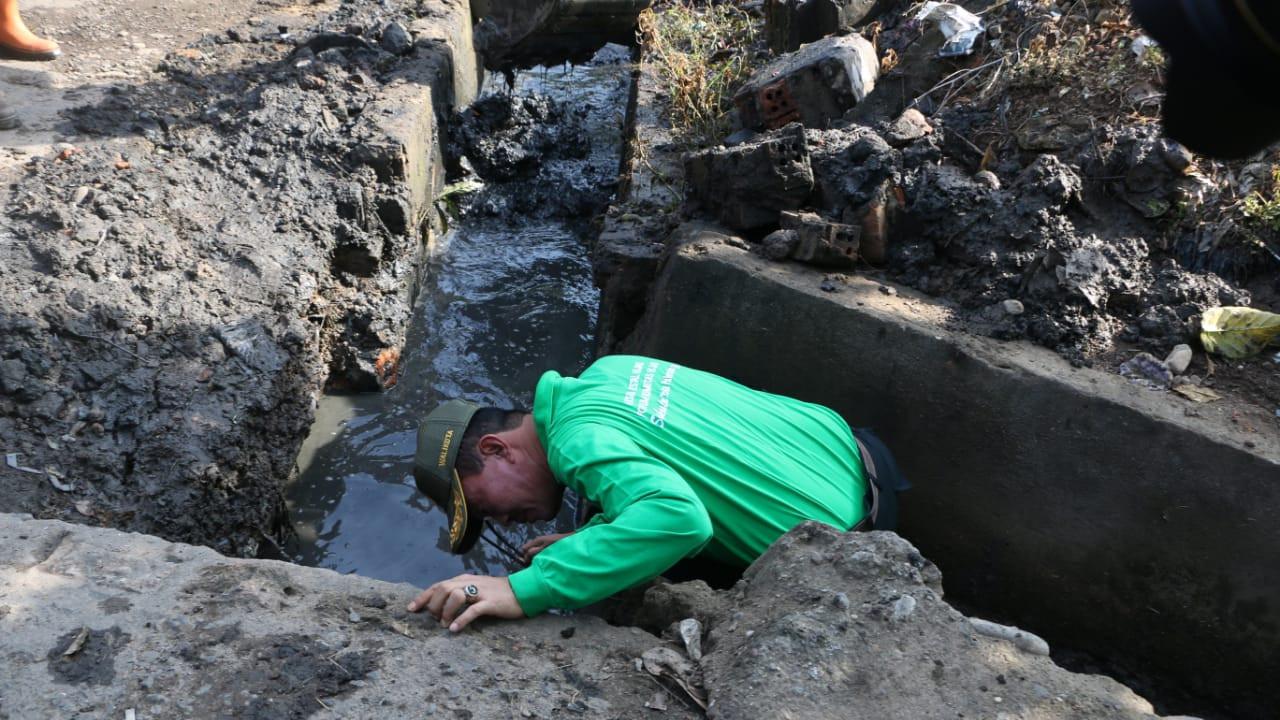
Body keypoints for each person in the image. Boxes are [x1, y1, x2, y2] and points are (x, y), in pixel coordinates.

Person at [406, 355, 908, 632]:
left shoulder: (576, 442)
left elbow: (680, 517)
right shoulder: (606, 373)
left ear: (495, 449)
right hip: (861, 458)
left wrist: (522, 589)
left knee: (656, 562)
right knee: (628, 536)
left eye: (482, 505)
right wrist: (601, 536)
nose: (504, 522)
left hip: (846, 543)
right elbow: (683, 461)